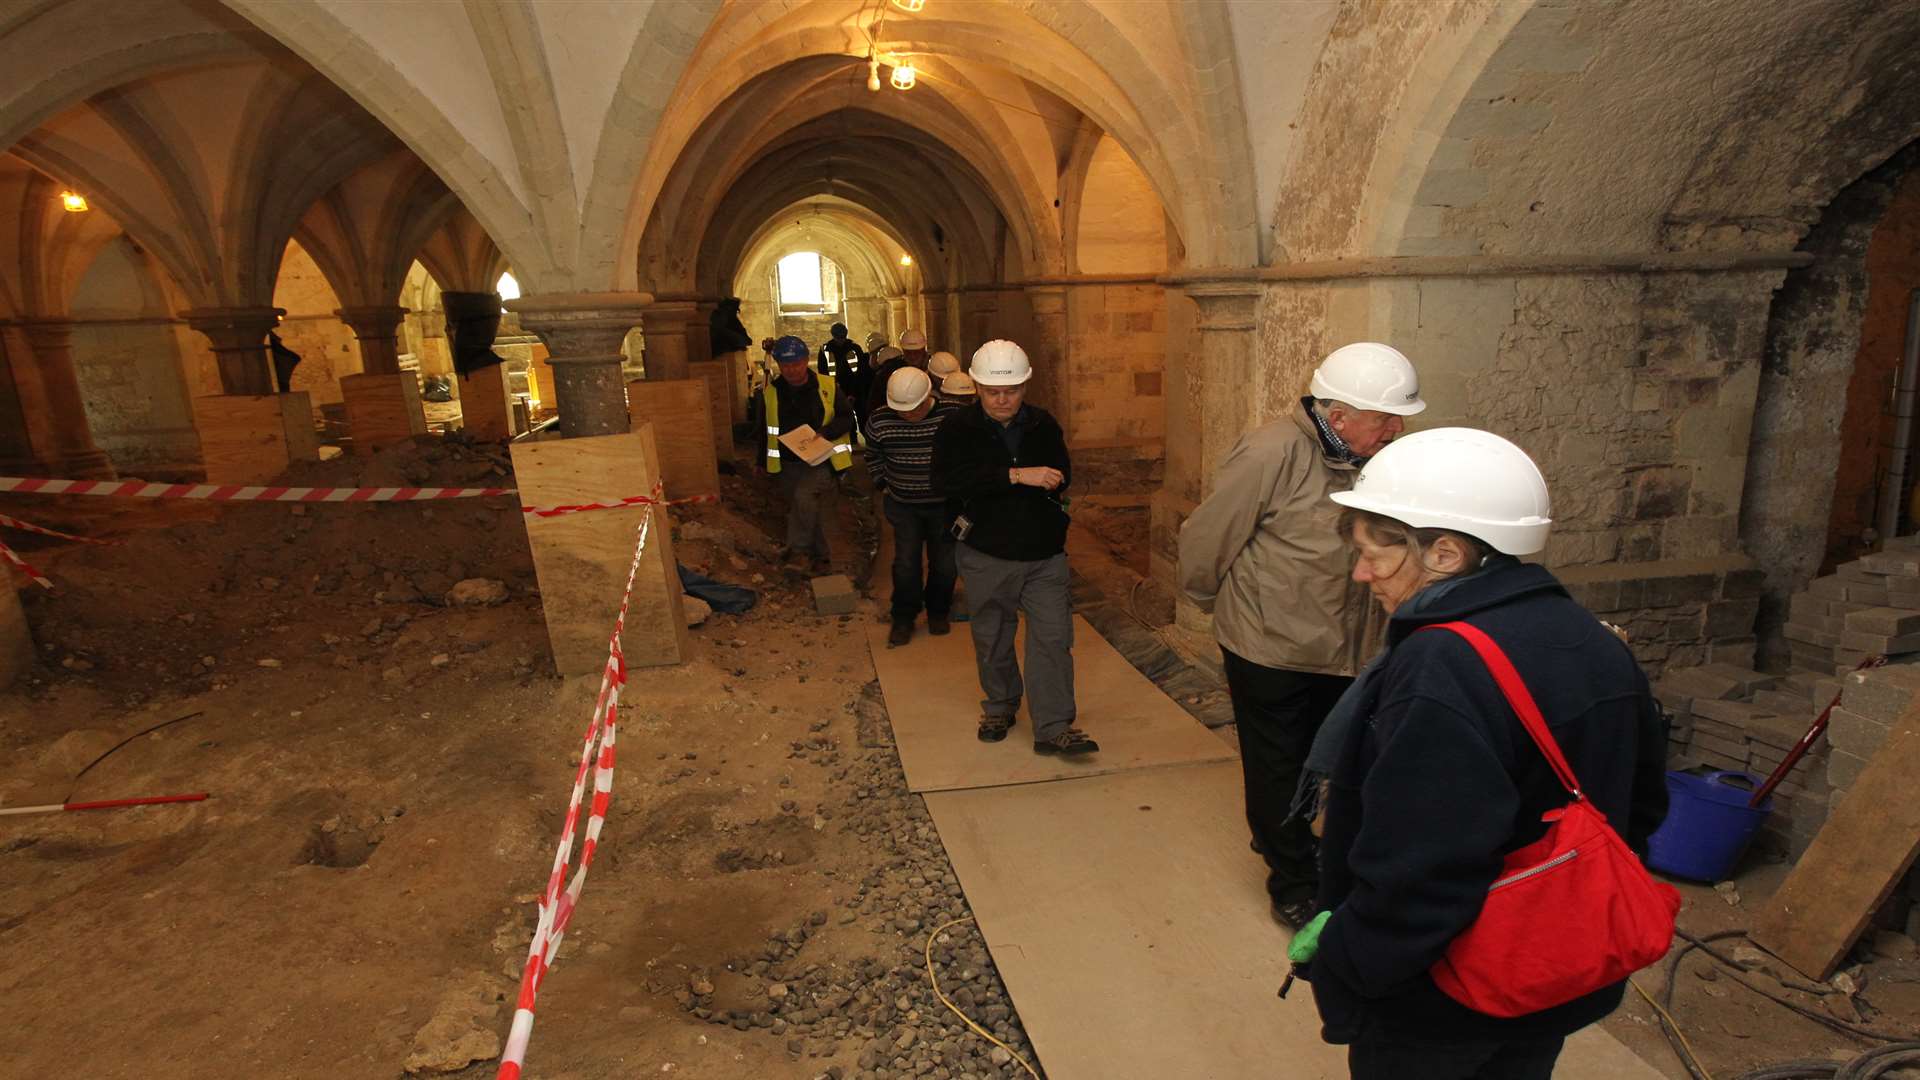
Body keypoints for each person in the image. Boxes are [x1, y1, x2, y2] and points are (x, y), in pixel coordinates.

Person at [1291, 427, 1669, 1080]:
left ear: (1444, 552)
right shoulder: (1590, 636)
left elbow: (1419, 869)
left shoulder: (1442, 667)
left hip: (1444, 1006)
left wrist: (1347, 962)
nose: (1360, 574)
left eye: (1374, 554)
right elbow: (1642, 805)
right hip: (1548, 977)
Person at [1177, 342, 1426, 929]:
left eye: (1399, 418)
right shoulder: (1271, 453)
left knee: (1334, 759)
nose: (1396, 429)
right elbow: (1207, 538)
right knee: (1279, 767)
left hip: (1351, 648)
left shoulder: (1381, 459)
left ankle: (1299, 842)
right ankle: (1291, 878)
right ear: (1338, 417)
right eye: (1385, 418)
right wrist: (1217, 605)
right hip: (1273, 646)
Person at [931, 340, 1095, 755]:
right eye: (992, 392)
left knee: (1053, 639)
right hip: (987, 555)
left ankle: (1054, 725)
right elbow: (948, 481)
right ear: (977, 388)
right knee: (992, 635)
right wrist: (1016, 476)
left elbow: (1065, 473)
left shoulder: (1043, 425)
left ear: (1025, 386)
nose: (1003, 400)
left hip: (1044, 556)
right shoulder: (957, 430)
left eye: (1012, 391)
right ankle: (1001, 705)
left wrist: (1051, 484)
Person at [867, 367, 961, 646]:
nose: (907, 415)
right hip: (903, 505)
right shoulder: (880, 420)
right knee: (906, 564)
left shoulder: (953, 416)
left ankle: (938, 611)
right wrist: (882, 483)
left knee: (944, 564)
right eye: (902, 410)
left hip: (944, 506)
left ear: (928, 397)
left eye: (914, 409)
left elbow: (969, 452)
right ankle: (904, 618)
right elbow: (873, 455)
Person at [755, 335, 854, 575]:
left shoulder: (827, 387)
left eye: (796, 364)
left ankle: (798, 551)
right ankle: (822, 557)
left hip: (821, 460)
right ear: (778, 364)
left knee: (803, 498)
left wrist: (825, 432)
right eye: (786, 365)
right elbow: (762, 429)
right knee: (805, 508)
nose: (791, 370)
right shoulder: (771, 393)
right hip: (788, 463)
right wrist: (761, 463)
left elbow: (847, 418)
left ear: (805, 361)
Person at [817, 322, 872, 439]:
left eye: (842, 337)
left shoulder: (855, 348)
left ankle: (867, 438)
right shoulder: (825, 350)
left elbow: (861, 371)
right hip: (835, 389)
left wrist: (854, 392)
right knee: (842, 416)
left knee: (861, 415)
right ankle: (851, 438)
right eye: (838, 337)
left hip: (854, 387)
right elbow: (823, 372)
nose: (840, 340)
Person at [867, 329, 929, 419]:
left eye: (916, 352)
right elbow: (874, 403)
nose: (912, 357)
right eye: (908, 352)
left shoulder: (934, 367)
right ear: (903, 351)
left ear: (923, 350)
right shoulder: (888, 371)